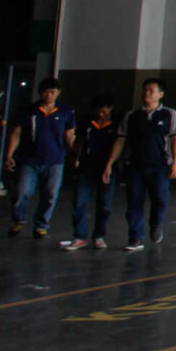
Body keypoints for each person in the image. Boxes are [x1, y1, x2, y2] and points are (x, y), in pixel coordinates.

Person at [106, 78, 176, 252]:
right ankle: (135, 237)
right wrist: (110, 163)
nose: (146, 93)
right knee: (134, 202)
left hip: (160, 165)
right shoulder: (132, 116)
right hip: (136, 166)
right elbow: (121, 140)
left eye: (151, 90)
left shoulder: (169, 114)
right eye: (144, 90)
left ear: (160, 95)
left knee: (160, 198)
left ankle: (156, 224)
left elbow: (175, 138)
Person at [3, 78, 74, 237]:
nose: (48, 96)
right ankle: (18, 220)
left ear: (58, 93)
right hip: (30, 159)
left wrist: (73, 155)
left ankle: (41, 225)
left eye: (52, 92)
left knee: (50, 195)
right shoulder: (28, 111)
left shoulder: (65, 111)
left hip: (55, 160)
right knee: (22, 191)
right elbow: (17, 133)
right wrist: (9, 154)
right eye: (45, 92)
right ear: (40, 93)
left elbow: (69, 135)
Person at [60, 97, 119, 250]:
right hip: (87, 166)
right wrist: (75, 158)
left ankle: (99, 235)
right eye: (98, 112)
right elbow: (79, 141)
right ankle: (80, 236)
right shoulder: (86, 122)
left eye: (104, 112)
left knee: (104, 204)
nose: (101, 115)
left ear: (110, 110)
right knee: (79, 200)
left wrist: (110, 165)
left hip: (107, 167)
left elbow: (120, 144)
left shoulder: (116, 124)